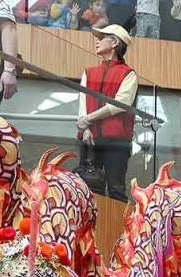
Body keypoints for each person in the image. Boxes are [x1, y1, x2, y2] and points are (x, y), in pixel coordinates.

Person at [77, 24, 139, 202]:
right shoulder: (89, 72)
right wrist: (85, 128)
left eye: (101, 37)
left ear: (114, 42)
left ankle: (116, 228)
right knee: (86, 188)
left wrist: (87, 120)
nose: (97, 41)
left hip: (117, 142)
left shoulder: (128, 74)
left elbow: (120, 104)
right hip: (90, 139)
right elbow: (82, 102)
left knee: (115, 189)